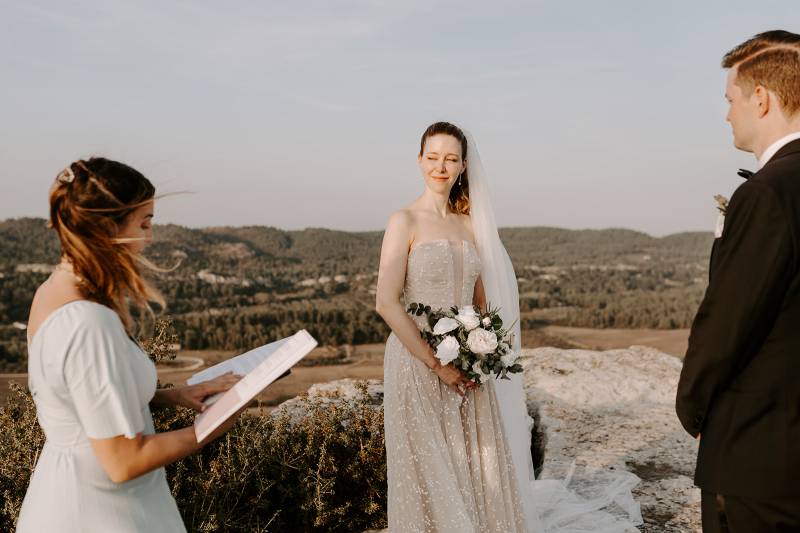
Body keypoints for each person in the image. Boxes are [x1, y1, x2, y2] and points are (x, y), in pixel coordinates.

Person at [377, 122, 641, 532]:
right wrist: (436, 364)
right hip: (417, 363)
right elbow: (386, 302)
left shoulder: (470, 225)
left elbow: (481, 303)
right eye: (432, 157)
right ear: (419, 160)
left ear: (463, 166)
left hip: (467, 361)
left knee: (476, 461)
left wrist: (481, 353)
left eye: (450, 159)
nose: (440, 167)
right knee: (428, 465)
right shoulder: (404, 220)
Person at [16, 157, 242, 532]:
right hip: (99, 512)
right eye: (144, 223)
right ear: (108, 227)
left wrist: (177, 396)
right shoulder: (89, 320)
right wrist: (211, 427)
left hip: (73, 493)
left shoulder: (54, 291)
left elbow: (85, 397)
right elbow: (123, 461)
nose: (149, 238)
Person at [676, 30, 800, 532]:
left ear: (762, 99)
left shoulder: (769, 192)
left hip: (761, 449)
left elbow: (730, 318)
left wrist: (694, 406)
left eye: (731, 100)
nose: (728, 114)